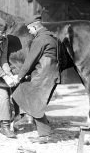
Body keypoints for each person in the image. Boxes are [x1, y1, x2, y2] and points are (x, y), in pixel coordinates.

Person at [11, 14, 60, 144]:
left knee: (29, 98)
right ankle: (42, 132)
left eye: (29, 29)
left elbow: (30, 61)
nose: (29, 31)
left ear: (34, 26)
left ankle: (43, 133)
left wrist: (19, 76)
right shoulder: (52, 37)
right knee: (33, 100)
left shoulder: (40, 39)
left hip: (43, 75)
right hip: (48, 74)